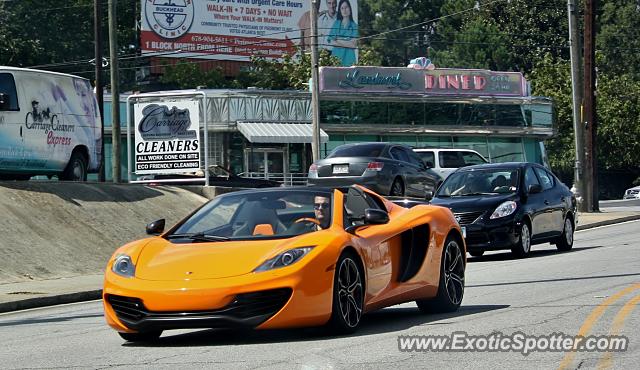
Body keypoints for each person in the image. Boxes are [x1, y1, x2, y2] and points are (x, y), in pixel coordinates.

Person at [327, 0, 358, 66]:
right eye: (342, 8)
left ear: (350, 8)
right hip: (336, 58)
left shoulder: (354, 26)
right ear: (340, 11)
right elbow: (332, 41)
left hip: (349, 59)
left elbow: (353, 45)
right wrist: (347, 42)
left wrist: (338, 39)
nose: (344, 10)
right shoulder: (336, 23)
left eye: (346, 7)